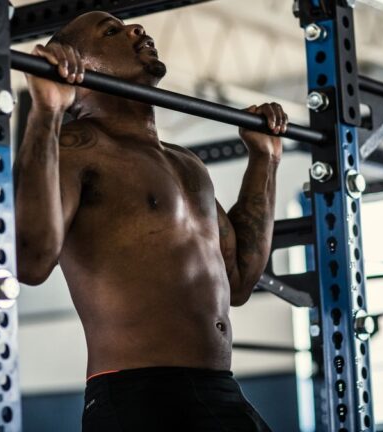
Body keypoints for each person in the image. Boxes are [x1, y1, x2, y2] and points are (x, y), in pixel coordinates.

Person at [15, 10, 287, 432]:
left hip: (220, 390)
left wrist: (264, 160)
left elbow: (238, 282)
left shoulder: (187, 163)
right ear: (77, 66)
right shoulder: (76, 149)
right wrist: (47, 113)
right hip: (139, 397)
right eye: (111, 31)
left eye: (128, 26)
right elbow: (30, 261)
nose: (136, 29)